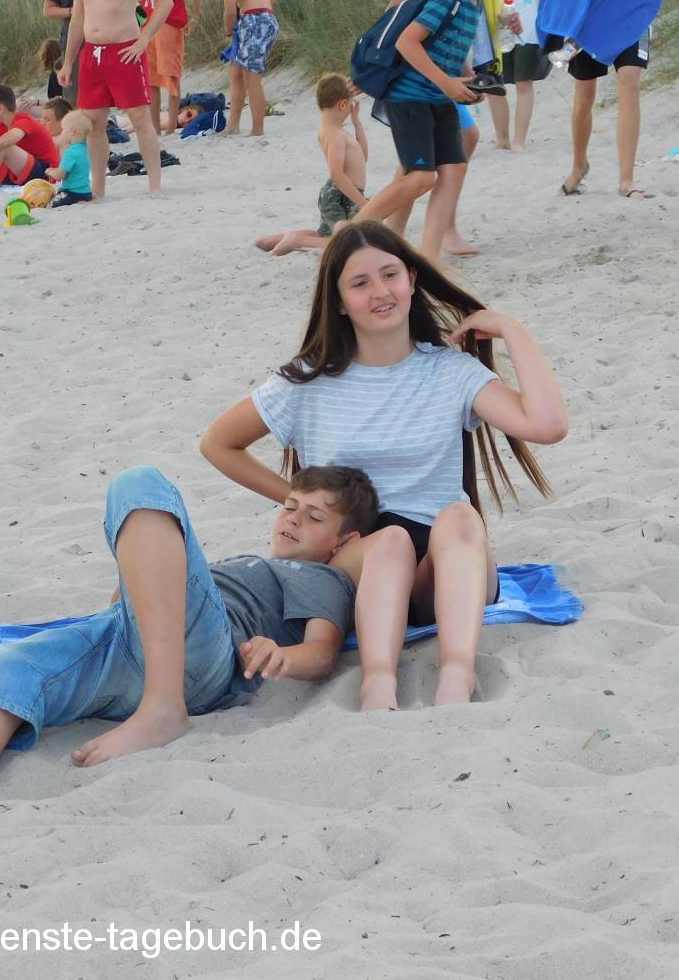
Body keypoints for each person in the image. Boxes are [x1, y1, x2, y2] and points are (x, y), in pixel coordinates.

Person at [0, 463, 376, 803]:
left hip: (206, 656)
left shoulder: (319, 577)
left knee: (140, 484)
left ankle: (162, 709)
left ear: (344, 543)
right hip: (127, 640)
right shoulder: (243, 561)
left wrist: (282, 654)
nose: (292, 519)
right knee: (9, 666)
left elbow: (323, 652)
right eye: (289, 506)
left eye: (314, 517)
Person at [200, 221, 568, 710]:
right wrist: (300, 503)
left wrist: (512, 331)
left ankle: (456, 678)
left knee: (462, 517)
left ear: (412, 280)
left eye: (390, 275)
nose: (380, 292)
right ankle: (378, 686)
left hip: (443, 567)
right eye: (360, 283)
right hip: (353, 566)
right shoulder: (307, 382)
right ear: (338, 301)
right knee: (390, 541)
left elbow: (547, 425)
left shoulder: (451, 371)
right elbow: (218, 444)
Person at [351, 0, 515, 262]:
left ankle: (428, 259)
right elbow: (407, 42)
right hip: (410, 96)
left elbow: (453, 54)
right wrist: (446, 83)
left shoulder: (473, 5)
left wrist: (468, 84)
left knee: (454, 169)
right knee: (421, 178)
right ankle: (350, 233)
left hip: (439, 99)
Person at [383, 0, 506, 257]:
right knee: (423, 168)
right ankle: (384, 233)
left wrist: (466, 77)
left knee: (438, 161)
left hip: (439, 80)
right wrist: (400, 63)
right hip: (419, 81)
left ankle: (419, 241)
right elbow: (398, 9)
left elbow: (452, 31)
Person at [537, 0, 664, 200]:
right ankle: (578, 166)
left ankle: (626, 180)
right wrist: (561, 14)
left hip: (633, 12)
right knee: (584, 96)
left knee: (630, 82)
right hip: (590, 15)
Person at [57, 0, 173, 197]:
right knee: (94, 123)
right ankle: (98, 190)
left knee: (140, 118)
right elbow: (78, 19)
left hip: (125, 51)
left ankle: (155, 186)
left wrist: (144, 40)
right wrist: (68, 62)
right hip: (93, 54)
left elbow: (165, 0)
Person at [255, 74, 368, 256]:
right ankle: (296, 241)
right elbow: (337, 174)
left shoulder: (336, 131)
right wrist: (362, 202)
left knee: (326, 234)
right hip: (340, 196)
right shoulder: (336, 136)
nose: (351, 109)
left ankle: (272, 240)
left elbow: (364, 156)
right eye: (350, 104)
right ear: (342, 104)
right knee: (346, 241)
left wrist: (356, 122)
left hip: (342, 194)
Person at [485, 0, 552, 151]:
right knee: (495, 81)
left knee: (524, 81)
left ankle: (519, 140)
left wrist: (543, 17)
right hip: (498, 16)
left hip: (529, 18)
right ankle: (501, 137)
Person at [195, 0, 280, 137]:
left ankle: (257, 129)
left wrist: (228, 31)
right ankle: (233, 126)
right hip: (265, 20)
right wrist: (263, 11)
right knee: (236, 73)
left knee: (252, 78)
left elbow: (230, 10)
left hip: (253, 22)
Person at [130, 0, 202, 137]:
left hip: (169, 23)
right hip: (147, 27)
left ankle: (171, 127)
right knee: (151, 80)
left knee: (171, 76)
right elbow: (136, 0)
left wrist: (194, 17)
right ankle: (155, 129)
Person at [44, 0, 96, 103]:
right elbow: (48, 10)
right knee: (75, 98)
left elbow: (136, 10)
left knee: (100, 98)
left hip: (103, 42)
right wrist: (73, 11)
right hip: (74, 44)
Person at [46, 109, 94, 205]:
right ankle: (83, 201)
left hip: (72, 193)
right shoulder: (86, 150)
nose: (62, 133)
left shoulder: (71, 152)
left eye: (63, 129)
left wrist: (49, 171)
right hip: (86, 193)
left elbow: (59, 176)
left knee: (51, 203)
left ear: (72, 131)